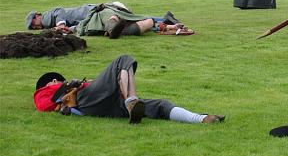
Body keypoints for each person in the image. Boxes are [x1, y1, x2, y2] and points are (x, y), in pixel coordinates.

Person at [34, 54, 224, 124]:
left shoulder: (69, 86)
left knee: (160, 105)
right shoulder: (44, 92)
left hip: (106, 105)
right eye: (52, 80)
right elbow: (43, 105)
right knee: (123, 61)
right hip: (85, 102)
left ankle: (201, 119)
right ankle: (131, 100)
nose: (54, 80)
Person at [26, 2, 191, 38]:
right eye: (33, 26)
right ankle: (164, 20)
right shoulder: (48, 19)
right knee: (130, 19)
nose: (35, 25)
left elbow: (60, 14)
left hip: (91, 13)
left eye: (33, 22)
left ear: (37, 16)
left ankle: (163, 21)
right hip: (90, 13)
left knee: (127, 20)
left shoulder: (48, 17)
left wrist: (61, 26)